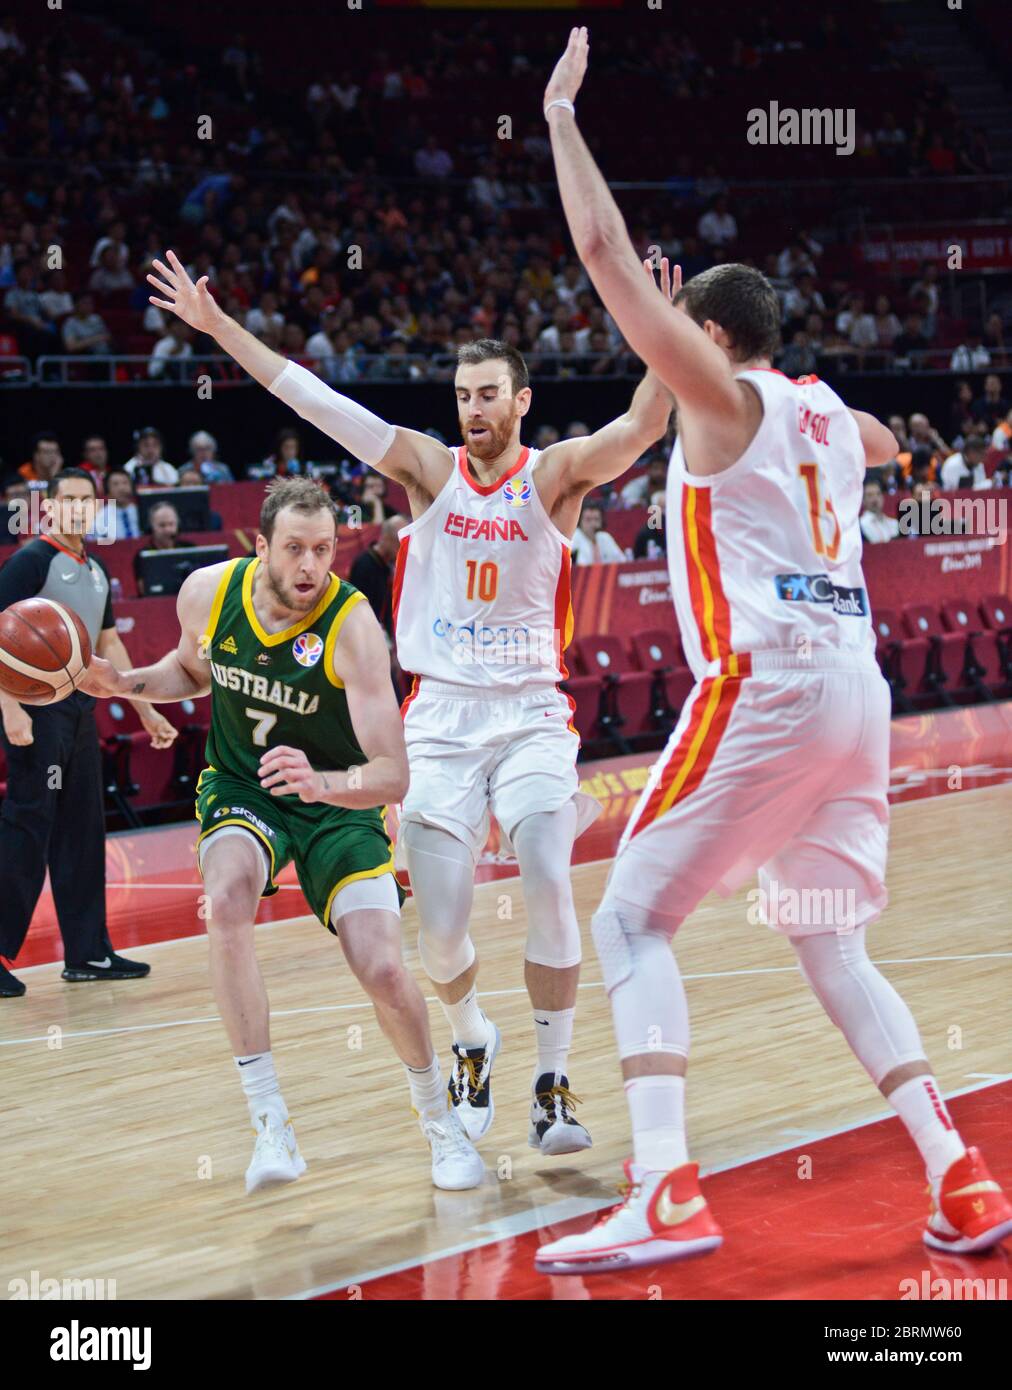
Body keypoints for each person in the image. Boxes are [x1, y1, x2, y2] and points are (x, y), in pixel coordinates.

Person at [534, 27, 1012, 1274]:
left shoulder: (727, 398)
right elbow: (886, 442)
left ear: (704, 343)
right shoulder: (824, 412)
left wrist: (562, 119)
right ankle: (957, 1172)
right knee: (829, 937)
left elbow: (600, 258)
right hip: (860, 692)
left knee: (633, 921)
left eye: (676, 338)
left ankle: (664, 1187)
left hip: (769, 682)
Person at [144, 248, 675, 1157]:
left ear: (521, 402)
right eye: (464, 394)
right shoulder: (426, 470)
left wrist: (661, 340)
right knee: (440, 935)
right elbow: (314, 397)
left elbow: (639, 428)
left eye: (489, 394)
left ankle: (552, 1084)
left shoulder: (555, 478)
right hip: (439, 722)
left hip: (531, 713)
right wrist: (217, 328)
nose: (474, 409)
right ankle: (472, 1039)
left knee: (548, 867)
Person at [80, 478, 483, 1192]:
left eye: (323, 549)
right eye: (294, 548)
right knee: (228, 899)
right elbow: (190, 669)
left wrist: (322, 782)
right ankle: (270, 1123)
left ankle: (440, 1123)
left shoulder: (353, 626)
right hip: (243, 787)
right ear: (260, 545)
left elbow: (392, 774)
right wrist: (127, 684)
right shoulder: (209, 592)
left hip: (338, 801)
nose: (309, 566)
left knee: (381, 969)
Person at [0, 468, 175, 997]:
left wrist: (145, 708)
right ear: (49, 507)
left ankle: (88, 952)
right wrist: (10, 710)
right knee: (27, 826)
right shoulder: (31, 560)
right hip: (34, 708)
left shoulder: (95, 568)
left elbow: (109, 650)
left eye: (87, 500)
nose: (78, 507)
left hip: (79, 709)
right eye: (68, 499)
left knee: (81, 826)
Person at [133, 501, 197, 595]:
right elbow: (143, 590)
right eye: (162, 525)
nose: (167, 530)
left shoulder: (190, 549)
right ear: (151, 526)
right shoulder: (142, 556)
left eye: (171, 524)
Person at [570, 498, 625, 564]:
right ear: (579, 521)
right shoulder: (574, 537)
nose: (593, 524)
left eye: (596, 519)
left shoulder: (605, 537)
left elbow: (622, 561)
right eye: (588, 520)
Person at [859, 476, 900, 543]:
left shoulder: (894, 523)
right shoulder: (860, 525)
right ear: (863, 500)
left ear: (883, 498)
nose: (875, 499)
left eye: (878, 494)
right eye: (870, 495)